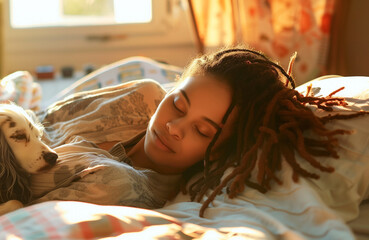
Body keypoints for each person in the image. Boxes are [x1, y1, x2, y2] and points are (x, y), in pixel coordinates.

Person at [30, 46, 369, 217]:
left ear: (220, 150)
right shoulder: (144, 95)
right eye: (178, 104)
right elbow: (41, 118)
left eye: (203, 131)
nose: (174, 127)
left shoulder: (118, 187)